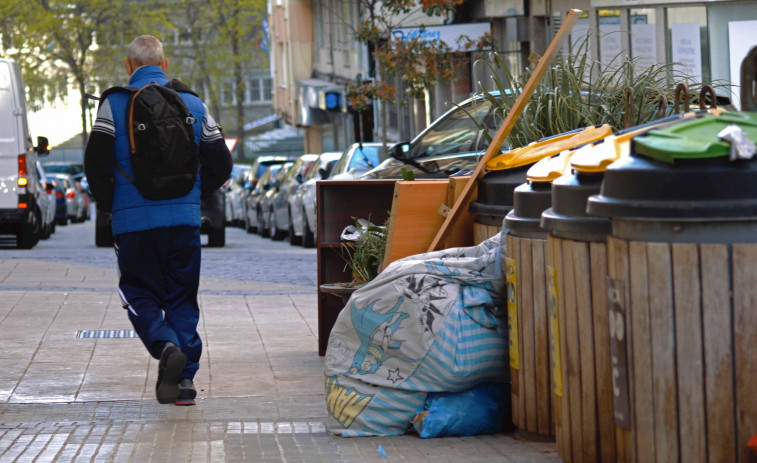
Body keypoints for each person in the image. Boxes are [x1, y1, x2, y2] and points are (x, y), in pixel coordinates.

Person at [84, 35, 233, 406]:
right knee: (182, 297)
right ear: (164, 65)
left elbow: (96, 163)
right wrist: (194, 195)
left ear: (127, 65)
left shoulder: (113, 105)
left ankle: (164, 345)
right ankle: (183, 383)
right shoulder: (193, 104)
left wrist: (111, 205)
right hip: (184, 222)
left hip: (133, 225)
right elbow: (221, 164)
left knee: (138, 293)